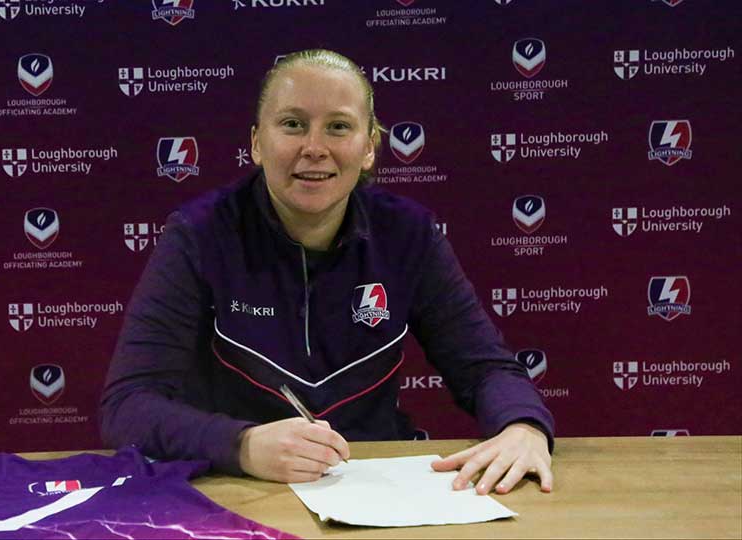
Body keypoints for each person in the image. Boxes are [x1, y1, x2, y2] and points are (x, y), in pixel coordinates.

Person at [101, 49, 554, 495]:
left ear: (369, 147)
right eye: (293, 124)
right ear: (256, 143)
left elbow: (485, 368)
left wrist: (523, 426)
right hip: (240, 489)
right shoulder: (200, 234)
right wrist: (241, 445)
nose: (314, 149)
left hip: (376, 488)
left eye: (338, 127)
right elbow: (127, 406)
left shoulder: (407, 233)